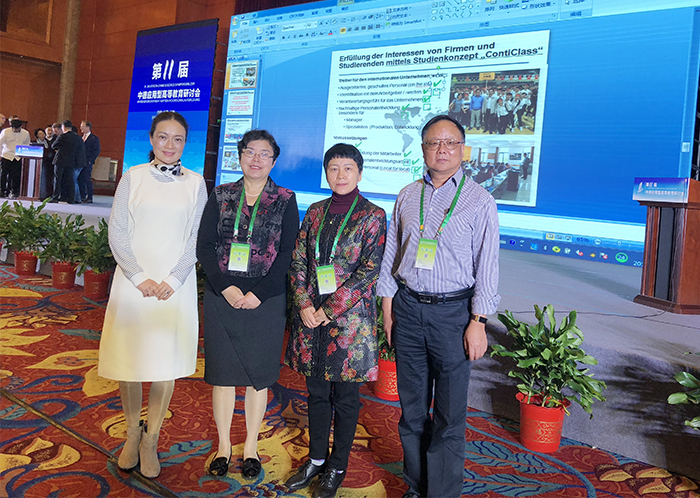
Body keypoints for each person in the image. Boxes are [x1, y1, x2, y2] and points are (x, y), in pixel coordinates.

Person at [377, 115, 500, 498]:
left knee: (449, 416)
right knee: (412, 411)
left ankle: (441, 493)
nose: (442, 150)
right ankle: (416, 486)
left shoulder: (480, 200)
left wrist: (478, 320)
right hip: (408, 309)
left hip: (453, 315)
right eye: (434, 143)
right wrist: (388, 309)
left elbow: (487, 264)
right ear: (423, 149)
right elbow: (392, 254)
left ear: (463, 149)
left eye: (450, 143)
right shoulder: (407, 194)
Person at [98, 111, 207, 478]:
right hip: (134, 284)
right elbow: (117, 231)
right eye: (163, 137)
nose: (170, 145)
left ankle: (151, 439)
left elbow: (197, 237)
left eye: (178, 139)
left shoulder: (196, 183)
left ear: (185, 143)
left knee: (164, 364)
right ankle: (132, 433)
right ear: (151, 138)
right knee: (128, 360)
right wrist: (139, 276)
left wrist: (174, 279)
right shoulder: (133, 177)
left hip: (174, 287)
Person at [284, 144, 386, 498]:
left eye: (347, 168)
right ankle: (315, 459)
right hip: (311, 319)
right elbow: (298, 260)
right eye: (333, 168)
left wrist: (329, 310)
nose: (340, 175)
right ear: (326, 172)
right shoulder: (315, 211)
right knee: (315, 394)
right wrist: (304, 304)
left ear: (359, 173)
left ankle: (337, 466)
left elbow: (369, 272)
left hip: (349, 325)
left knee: (345, 398)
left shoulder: (372, 216)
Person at [196, 129, 299, 479]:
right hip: (222, 295)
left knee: (259, 378)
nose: (256, 159)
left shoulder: (285, 199)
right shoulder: (221, 194)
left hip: (265, 299)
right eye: (250, 152)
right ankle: (224, 446)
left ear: (274, 160)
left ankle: (251, 446)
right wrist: (224, 287)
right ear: (239, 156)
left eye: (264, 154)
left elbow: (288, 252)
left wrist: (260, 293)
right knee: (223, 376)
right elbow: (204, 246)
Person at [51, 120, 86, 203]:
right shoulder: (77, 138)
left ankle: (55, 197)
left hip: (60, 160)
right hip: (71, 161)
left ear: (63, 127)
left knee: (58, 180)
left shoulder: (62, 137)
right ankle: (70, 198)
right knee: (70, 180)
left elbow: (53, 146)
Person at [0, 117, 31, 198]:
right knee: (4, 174)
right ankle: (2, 190)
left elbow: (27, 144)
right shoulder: (6, 132)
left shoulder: (25, 133)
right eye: (13, 128)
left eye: (17, 128)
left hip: (18, 157)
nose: (15, 130)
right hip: (7, 155)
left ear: (21, 127)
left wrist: (24, 156)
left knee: (16, 175)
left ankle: (15, 192)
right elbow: (0, 144)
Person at [79, 120, 101, 203]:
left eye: (82, 126)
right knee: (80, 179)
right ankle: (82, 196)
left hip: (88, 162)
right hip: (80, 162)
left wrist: (90, 160)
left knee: (87, 179)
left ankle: (90, 197)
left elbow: (96, 151)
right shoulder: (80, 137)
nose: (81, 128)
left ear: (88, 127)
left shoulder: (94, 138)